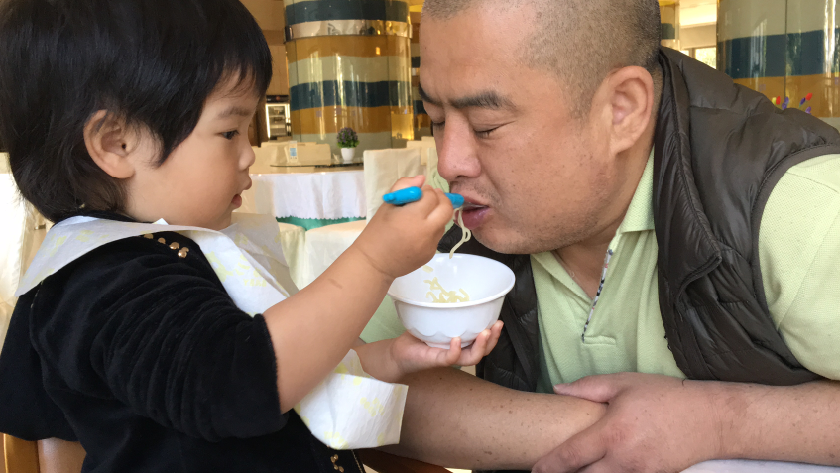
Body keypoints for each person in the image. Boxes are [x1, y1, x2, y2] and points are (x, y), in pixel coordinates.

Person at [0, 0, 511, 471]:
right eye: (229, 132)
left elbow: (295, 372)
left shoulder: (189, 249)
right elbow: (237, 383)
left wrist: (391, 358)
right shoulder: (100, 281)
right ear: (116, 144)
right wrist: (375, 260)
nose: (249, 154)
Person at [361, 0, 840, 472]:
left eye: (487, 127)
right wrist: (607, 431)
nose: (449, 162)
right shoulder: (456, 209)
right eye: (436, 119)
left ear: (621, 110)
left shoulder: (794, 206)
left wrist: (719, 423)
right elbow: (348, 381)